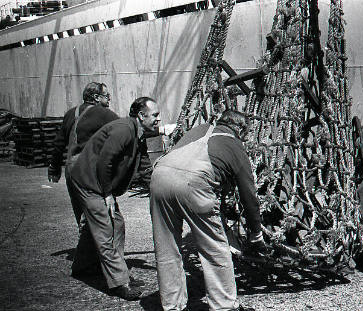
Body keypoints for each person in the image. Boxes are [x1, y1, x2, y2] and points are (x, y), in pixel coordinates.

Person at [150, 110, 266, 311]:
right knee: (214, 248)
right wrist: (256, 233)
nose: (245, 138)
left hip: (159, 177)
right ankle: (224, 306)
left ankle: (173, 306)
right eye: (245, 134)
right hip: (194, 183)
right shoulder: (234, 145)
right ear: (239, 129)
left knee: (167, 247)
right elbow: (249, 196)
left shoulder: (200, 129)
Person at [66, 97, 163, 300]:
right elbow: (105, 161)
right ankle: (120, 282)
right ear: (141, 115)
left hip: (95, 182)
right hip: (88, 182)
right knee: (106, 228)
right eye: (154, 115)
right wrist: (107, 193)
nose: (158, 119)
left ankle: (83, 267)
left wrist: (156, 185)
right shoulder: (124, 130)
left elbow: (143, 164)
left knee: (115, 224)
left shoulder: (137, 133)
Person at [48, 82, 119, 276]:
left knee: (83, 218)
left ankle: (86, 263)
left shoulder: (71, 113)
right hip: (88, 170)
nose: (109, 99)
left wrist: (54, 167)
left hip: (71, 170)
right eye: (106, 96)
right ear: (96, 98)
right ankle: (101, 267)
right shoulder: (103, 114)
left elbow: (59, 143)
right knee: (103, 218)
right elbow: (126, 130)